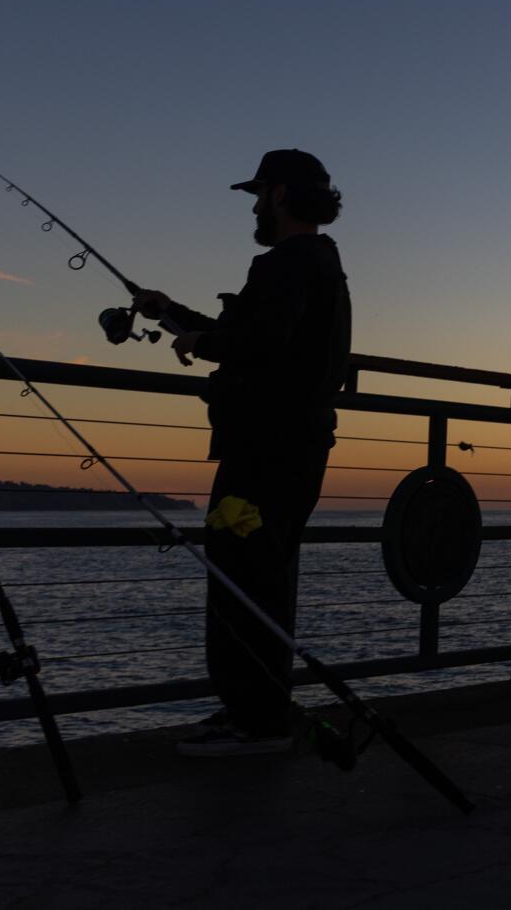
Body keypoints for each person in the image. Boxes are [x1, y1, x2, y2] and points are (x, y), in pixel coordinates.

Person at [134, 149, 352, 757]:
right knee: (259, 575)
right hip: (290, 448)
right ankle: (256, 708)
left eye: (259, 195)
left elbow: (259, 341)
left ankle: (256, 722)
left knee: (241, 575)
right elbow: (262, 337)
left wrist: (202, 341)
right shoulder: (321, 262)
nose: (255, 207)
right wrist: (173, 314)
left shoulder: (286, 262)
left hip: (263, 452)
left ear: (279, 195)